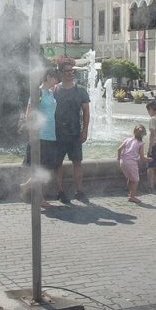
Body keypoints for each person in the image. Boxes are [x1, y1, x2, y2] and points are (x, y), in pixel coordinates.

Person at [21, 68, 62, 207]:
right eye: (56, 78)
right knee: (42, 169)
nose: (57, 80)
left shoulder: (51, 93)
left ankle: (29, 189)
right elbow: (29, 113)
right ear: (48, 77)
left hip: (51, 135)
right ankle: (37, 196)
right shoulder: (37, 92)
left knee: (46, 168)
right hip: (40, 135)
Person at [53, 59, 90, 204]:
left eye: (71, 71)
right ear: (61, 73)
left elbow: (86, 111)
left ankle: (79, 191)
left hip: (75, 132)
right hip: (58, 132)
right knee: (58, 164)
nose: (70, 73)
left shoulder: (80, 90)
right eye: (67, 71)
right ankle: (60, 191)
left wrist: (85, 130)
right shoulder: (55, 89)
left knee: (77, 162)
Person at [117, 124, 146, 203]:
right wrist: (148, 159)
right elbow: (142, 158)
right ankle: (132, 197)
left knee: (130, 178)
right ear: (143, 135)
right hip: (131, 163)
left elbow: (119, 149)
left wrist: (119, 158)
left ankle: (129, 192)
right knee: (136, 180)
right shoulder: (140, 143)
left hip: (123, 162)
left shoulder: (127, 140)